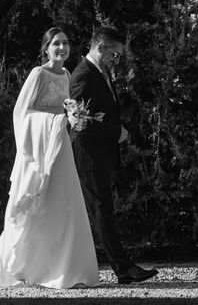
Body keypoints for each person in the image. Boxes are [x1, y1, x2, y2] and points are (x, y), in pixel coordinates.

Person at [0, 27, 99, 289]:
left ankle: (63, 269)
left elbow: (65, 106)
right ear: (46, 48)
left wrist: (74, 116)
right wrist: (56, 120)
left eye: (65, 43)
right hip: (38, 151)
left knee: (63, 204)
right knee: (39, 205)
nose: (62, 48)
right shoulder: (38, 74)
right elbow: (21, 113)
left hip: (60, 148)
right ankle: (24, 267)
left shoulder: (67, 74)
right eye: (56, 43)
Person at [70, 26, 158, 284]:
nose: (116, 59)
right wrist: (115, 132)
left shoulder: (100, 71)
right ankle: (123, 269)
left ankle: (124, 267)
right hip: (89, 155)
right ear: (99, 47)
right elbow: (78, 122)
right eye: (114, 53)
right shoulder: (83, 75)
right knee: (101, 211)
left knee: (104, 210)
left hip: (100, 154)